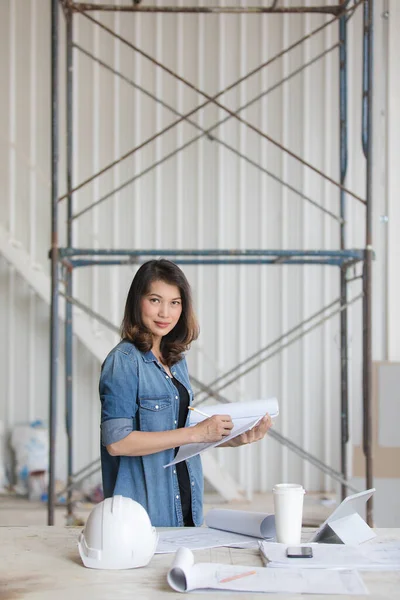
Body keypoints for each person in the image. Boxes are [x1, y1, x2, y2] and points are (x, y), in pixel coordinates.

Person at [99, 259, 272, 527]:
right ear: (137, 301)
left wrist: (232, 438)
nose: (164, 313)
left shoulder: (176, 361)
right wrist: (196, 433)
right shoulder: (123, 361)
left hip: (186, 506)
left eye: (175, 303)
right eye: (155, 300)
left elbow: (177, 435)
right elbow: (117, 442)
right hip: (144, 514)